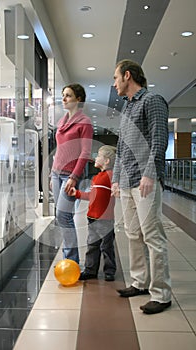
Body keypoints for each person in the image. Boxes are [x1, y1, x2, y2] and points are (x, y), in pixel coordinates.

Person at [111, 59, 171, 314]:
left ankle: (161, 294)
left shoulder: (152, 101)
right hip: (126, 182)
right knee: (133, 234)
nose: (114, 84)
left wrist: (150, 173)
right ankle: (140, 282)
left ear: (127, 76)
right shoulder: (126, 109)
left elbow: (158, 140)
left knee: (153, 236)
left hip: (145, 181)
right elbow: (122, 148)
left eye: (116, 78)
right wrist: (115, 178)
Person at [51, 83, 93, 263]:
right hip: (56, 172)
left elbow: (85, 153)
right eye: (63, 95)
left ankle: (71, 261)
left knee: (64, 216)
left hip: (71, 175)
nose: (64, 99)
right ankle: (69, 259)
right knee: (60, 215)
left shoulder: (85, 123)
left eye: (68, 95)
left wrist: (74, 178)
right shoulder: (62, 122)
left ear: (79, 99)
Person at [69, 145, 117, 281]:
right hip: (92, 218)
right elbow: (92, 196)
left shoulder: (111, 176)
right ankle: (91, 270)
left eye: (99, 156)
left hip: (106, 219)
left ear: (106, 161)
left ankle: (109, 271)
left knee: (106, 246)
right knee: (92, 245)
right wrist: (77, 194)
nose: (96, 157)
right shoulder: (97, 177)